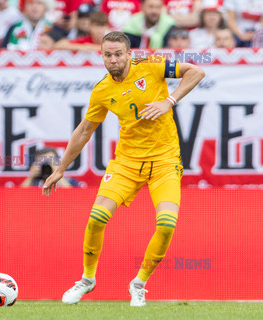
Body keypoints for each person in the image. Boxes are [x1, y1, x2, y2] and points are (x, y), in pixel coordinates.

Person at [43, 31, 205, 306]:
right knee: (96, 219)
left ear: (129, 53)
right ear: (102, 56)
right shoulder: (103, 89)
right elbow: (84, 130)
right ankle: (87, 280)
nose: (113, 60)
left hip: (165, 161)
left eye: (119, 54)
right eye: (108, 55)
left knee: (166, 225)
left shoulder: (152, 64)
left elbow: (196, 71)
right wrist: (60, 168)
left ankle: (139, 283)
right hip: (126, 163)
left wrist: (170, 101)